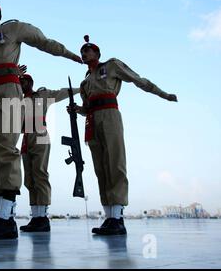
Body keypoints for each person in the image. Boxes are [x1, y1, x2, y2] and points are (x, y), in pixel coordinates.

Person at [0, 0, 83, 240]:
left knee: (5, 148)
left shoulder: (12, 28)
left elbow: (43, 41)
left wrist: (70, 54)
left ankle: (6, 219)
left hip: (7, 90)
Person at [71, 35, 177, 235]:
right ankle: (109, 217)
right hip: (92, 121)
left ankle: (118, 218)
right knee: (101, 168)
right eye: (82, 52)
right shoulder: (84, 83)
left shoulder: (111, 66)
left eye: (88, 50)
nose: (84, 53)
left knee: (115, 162)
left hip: (110, 116)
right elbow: (86, 107)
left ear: (97, 53)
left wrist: (163, 94)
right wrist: (77, 109)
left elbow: (138, 79)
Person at [19, 72, 80, 232]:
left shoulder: (42, 95)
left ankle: (43, 217)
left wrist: (80, 89)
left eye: (25, 81)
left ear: (31, 82)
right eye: (20, 81)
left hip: (39, 133)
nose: (22, 83)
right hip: (25, 137)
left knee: (40, 173)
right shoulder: (17, 100)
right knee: (29, 178)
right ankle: (35, 216)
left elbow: (61, 93)